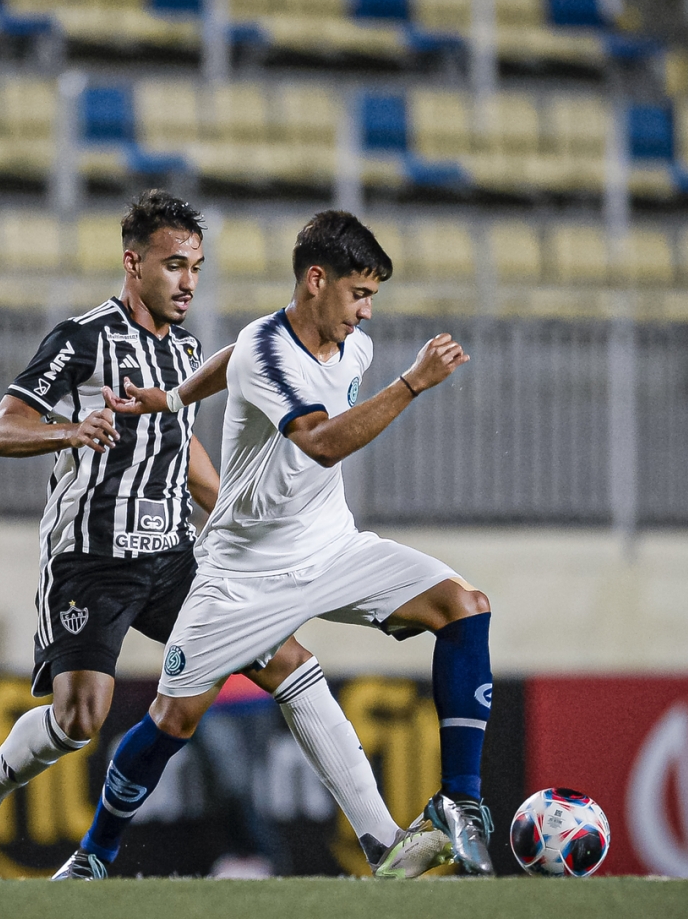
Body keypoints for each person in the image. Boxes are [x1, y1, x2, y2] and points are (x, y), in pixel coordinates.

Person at [0, 192, 446, 882]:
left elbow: (186, 453)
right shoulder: (81, 339)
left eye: (195, 267)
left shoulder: (191, 353)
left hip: (174, 557)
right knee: (80, 719)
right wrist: (69, 431)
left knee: (286, 658)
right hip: (93, 560)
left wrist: (234, 515)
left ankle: (383, 840)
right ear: (133, 263)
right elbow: (0, 429)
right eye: (174, 266)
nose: (188, 281)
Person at [75, 210, 496, 876]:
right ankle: (94, 854)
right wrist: (412, 383)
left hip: (332, 546)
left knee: (465, 606)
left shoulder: (351, 345)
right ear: (316, 281)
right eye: (358, 295)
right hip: (244, 571)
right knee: (173, 720)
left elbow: (227, 359)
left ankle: (459, 805)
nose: (364, 313)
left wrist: (174, 397)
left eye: (372, 299)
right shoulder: (272, 351)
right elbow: (322, 442)